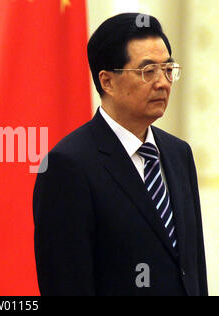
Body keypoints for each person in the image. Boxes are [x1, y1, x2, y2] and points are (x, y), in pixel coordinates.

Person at [33, 13, 208, 296]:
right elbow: (66, 282)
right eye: (147, 71)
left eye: (168, 69)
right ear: (107, 82)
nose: (163, 82)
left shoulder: (178, 154)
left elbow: (193, 267)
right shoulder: (68, 165)